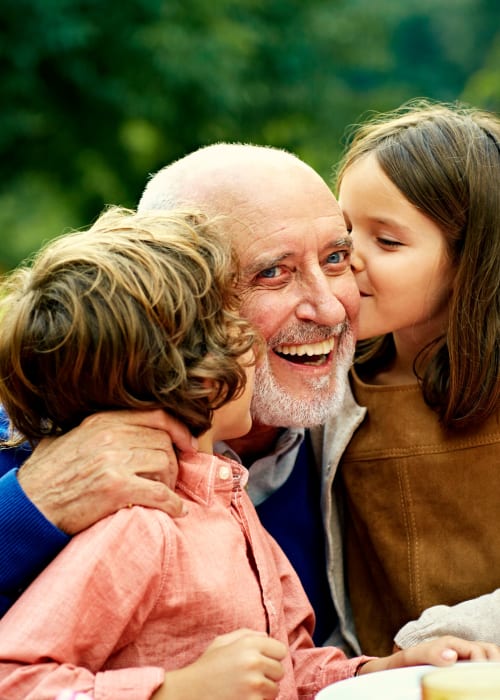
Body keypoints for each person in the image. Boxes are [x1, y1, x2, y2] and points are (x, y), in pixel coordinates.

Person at [2, 206, 493, 700]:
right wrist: (172, 691)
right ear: (196, 374)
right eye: (230, 325)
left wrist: (381, 671)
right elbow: (13, 678)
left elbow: (288, 664)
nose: (255, 343)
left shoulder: (229, 503)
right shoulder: (141, 527)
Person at [0, 144, 361, 650]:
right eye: (272, 272)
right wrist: (30, 505)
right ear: (176, 306)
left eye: (337, 258)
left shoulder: (371, 405)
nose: (329, 309)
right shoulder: (28, 438)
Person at [326, 99, 500, 657]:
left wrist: (444, 641)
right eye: (343, 230)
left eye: (388, 240)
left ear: (472, 258)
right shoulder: (332, 386)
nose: (348, 257)